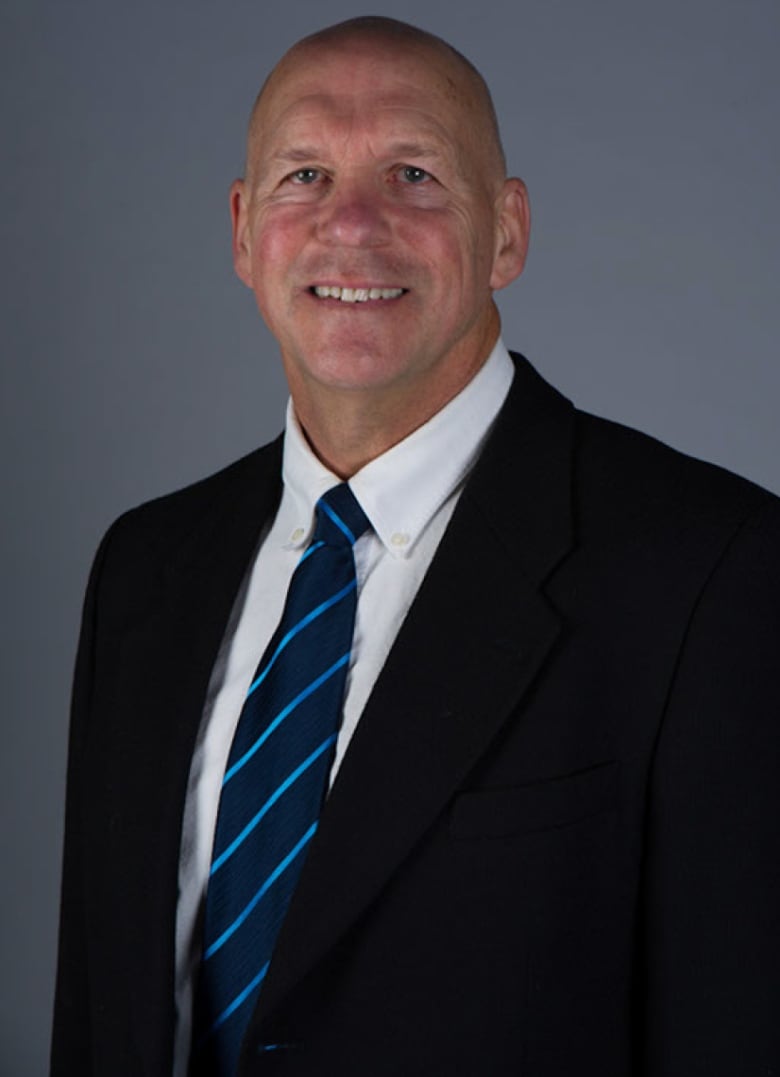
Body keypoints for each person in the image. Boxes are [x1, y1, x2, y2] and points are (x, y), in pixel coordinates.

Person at [50, 15, 780, 1077]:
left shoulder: (711, 572)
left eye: (414, 174)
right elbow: (101, 1017)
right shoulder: (145, 569)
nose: (352, 223)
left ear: (506, 233)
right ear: (246, 231)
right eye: (305, 174)